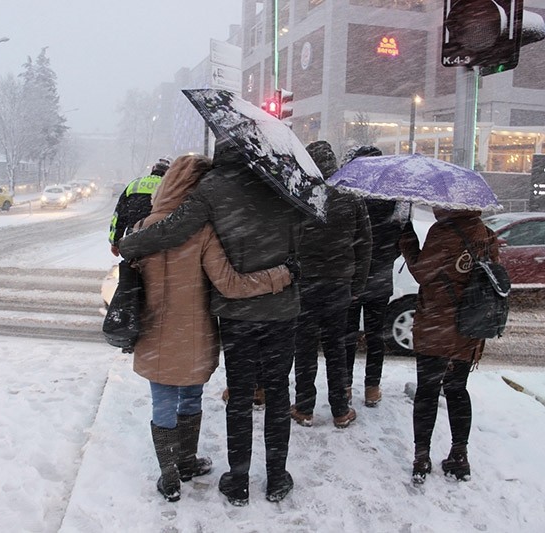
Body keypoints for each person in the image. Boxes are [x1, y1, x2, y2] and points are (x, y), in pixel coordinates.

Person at [118, 138, 304, 506]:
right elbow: (297, 241)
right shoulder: (284, 183)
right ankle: (277, 476)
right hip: (279, 311)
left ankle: (235, 479)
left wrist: (129, 244)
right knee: (279, 394)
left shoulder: (212, 188)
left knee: (238, 398)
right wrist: (285, 271)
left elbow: (170, 231)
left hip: (232, 319)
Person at [398, 206, 499, 484]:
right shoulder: (486, 234)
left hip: (437, 324)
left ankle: (421, 458)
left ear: (452, 206)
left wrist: (408, 241)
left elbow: (422, 272)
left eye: (439, 204)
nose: (434, 207)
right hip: (469, 323)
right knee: (456, 389)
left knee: (428, 392)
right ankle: (459, 455)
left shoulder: (442, 232)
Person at [290, 141, 371, 428]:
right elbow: (365, 244)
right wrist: (357, 284)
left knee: (305, 347)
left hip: (306, 285)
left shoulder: (301, 194)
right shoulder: (351, 195)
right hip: (339, 285)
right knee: (337, 348)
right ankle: (340, 409)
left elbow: (289, 241)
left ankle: (304, 407)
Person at [342, 146, 404, 408]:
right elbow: (400, 240)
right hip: (380, 277)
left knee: (347, 334)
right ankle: (372, 387)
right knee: (375, 335)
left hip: (353, 276)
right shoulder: (392, 198)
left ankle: (344, 386)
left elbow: (345, 239)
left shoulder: (351, 197)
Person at [108, 157, 171, 257]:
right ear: (168, 173)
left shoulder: (134, 184)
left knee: (130, 267)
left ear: (153, 170)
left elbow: (119, 215)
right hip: (158, 241)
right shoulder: (170, 187)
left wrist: (115, 242)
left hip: (132, 238)